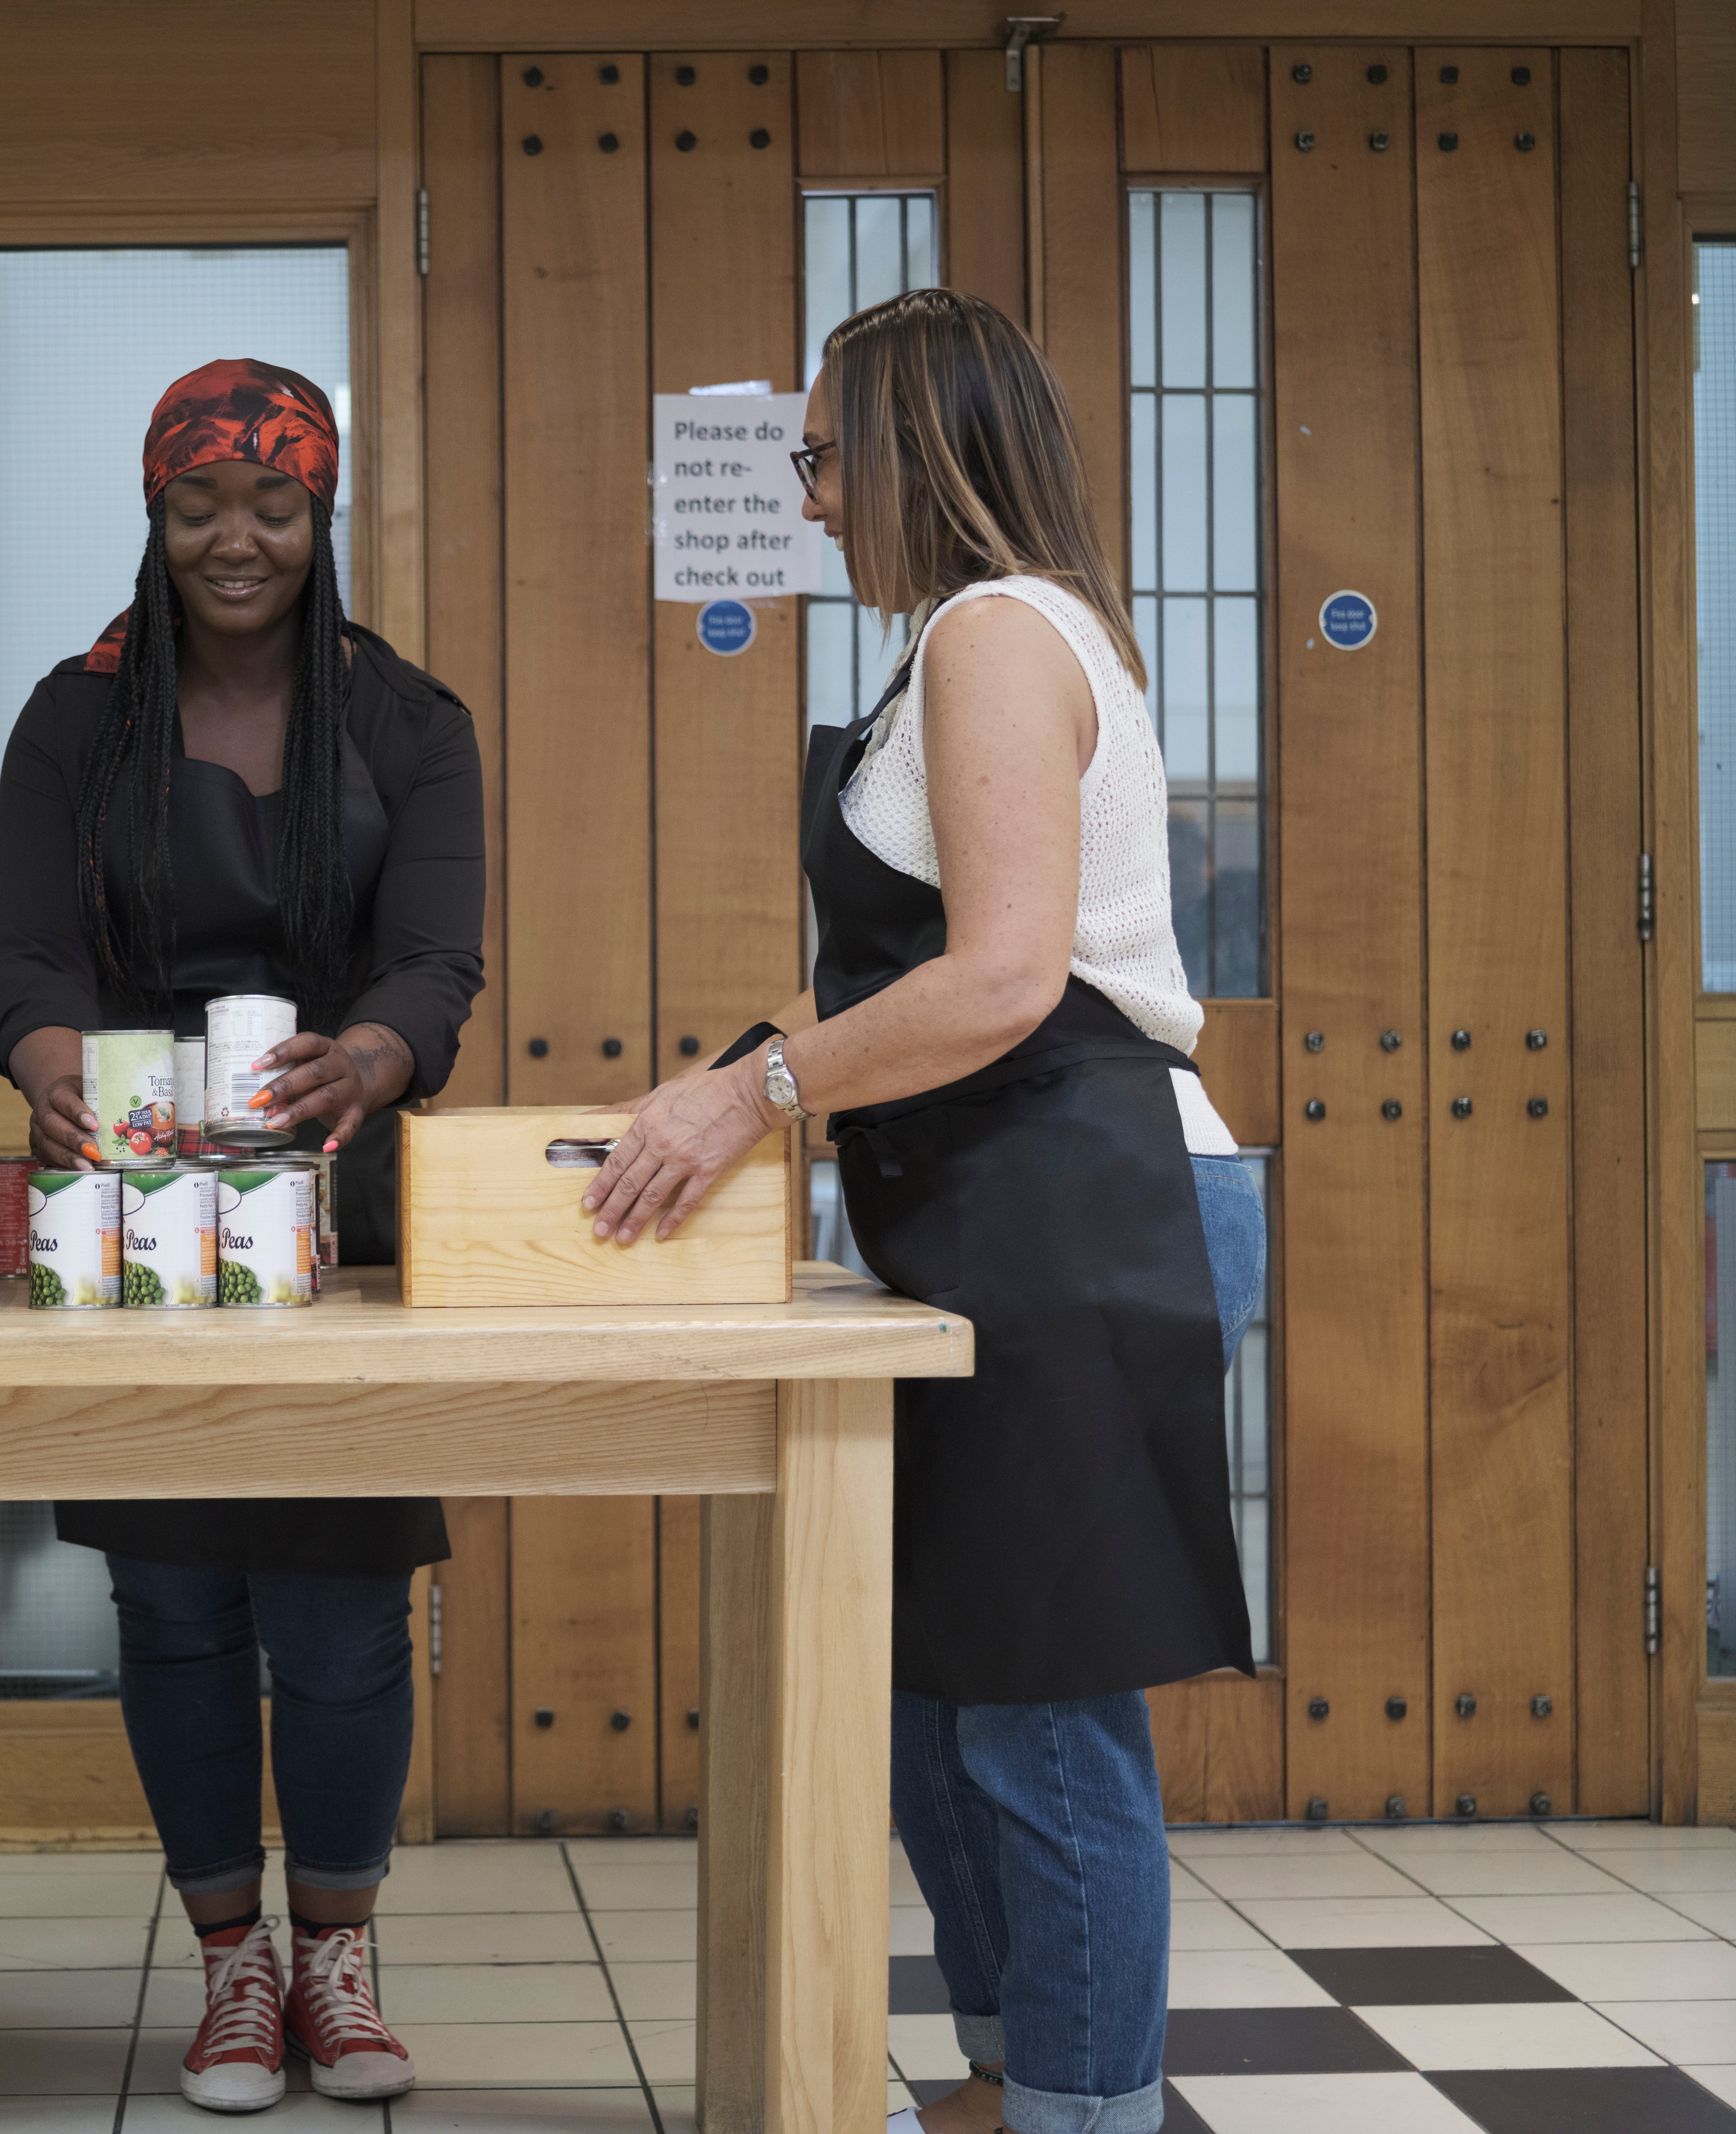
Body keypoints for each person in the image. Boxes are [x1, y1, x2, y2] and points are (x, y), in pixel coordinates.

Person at [579, 288, 1264, 2134]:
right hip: (1004, 1210)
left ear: (909, 451)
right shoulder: (961, 646)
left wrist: (758, 1092)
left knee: (1039, 1712)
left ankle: (1086, 2107)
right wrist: (734, 1089)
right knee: (943, 1690)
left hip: (1084, 1198)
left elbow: (1006, 981)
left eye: (821, 458)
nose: (808, 501)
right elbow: (937, 975)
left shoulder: (991, 633)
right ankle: (1006, 2076)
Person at [0, 358, 485, 2112]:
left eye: (276, 505)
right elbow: (27, 959)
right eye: (202, 506)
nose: (238, 540)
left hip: (336, 1201)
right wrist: (46, 1062)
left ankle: (338, 1963)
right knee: (175, 1604)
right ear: (155, 510)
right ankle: (230, 1972)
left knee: (343, 1612)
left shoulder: (411, 721)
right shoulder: (73, 716)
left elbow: (437, 961)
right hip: (128, 1189)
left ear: (324, 510)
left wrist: (379, 1051)